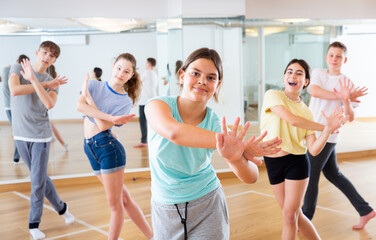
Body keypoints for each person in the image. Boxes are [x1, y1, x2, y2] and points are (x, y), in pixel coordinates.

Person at [145, 48, 282, 240]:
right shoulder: (158, 105)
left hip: (208, 205)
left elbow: (251, 177)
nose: (202, 80)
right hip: (165, 208)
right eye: (195, 73)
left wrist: (235, 158)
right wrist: (236, 144)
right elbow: (174, 132)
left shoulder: (216, 124)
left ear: (217, 85)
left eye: (211, 77)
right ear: (182, 76)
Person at [260, 59, 347, 240]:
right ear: (285, 77)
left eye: (299, 73)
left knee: (290, 216)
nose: (293, 75)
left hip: (296, 163)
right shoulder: (272, 95)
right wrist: (324, 126)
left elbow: (314, 150)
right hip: (273, 163)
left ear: (306, 81)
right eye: (289, 71)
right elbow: (292, 120)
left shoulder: (307, 112)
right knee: (295, 214)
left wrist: (327, 131)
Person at [76, 53, 153, 240]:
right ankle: (153, 236)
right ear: (113, 67)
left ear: (131, 75)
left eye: (126, 71)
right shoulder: (94, 85)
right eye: (119, 68)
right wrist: (89, 101)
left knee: (116, 205)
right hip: (90, 148)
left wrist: (89, 99)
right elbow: (80, 107)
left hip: (108, 148)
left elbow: (102, 126)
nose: (121, 73)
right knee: (124, 199)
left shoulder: (125, 101)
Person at [302, 41, 375, 230]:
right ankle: (365, 210)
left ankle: (305, 219)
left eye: (339, 56)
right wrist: (343, 97)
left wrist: (347, 101)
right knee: (334, 174)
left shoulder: (348, 83)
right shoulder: (318, 73)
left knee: (311, 175)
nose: (334, 59)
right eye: (331, 55)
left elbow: (350, 116)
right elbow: (313, 90)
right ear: (326, 57)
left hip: (329, 137)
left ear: (345, 59)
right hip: (314, 132)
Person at [8, 41, 74, 240]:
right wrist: (42, 84)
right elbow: (15, 90)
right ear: (37, 52)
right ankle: (62, 208)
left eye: (52, 56)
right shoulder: (18, 68)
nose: (47, 57)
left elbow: (48, 103)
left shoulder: (52, 80)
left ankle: (33, 224)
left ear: (54, 60)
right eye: (44, 52)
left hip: (40, 136)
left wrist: (39, 82)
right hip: (20, 134)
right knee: (41, 178)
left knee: (37, 181)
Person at [2, 54, 29, 164]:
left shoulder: (7, 71)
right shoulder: (14, 73)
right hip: (12, 107)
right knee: (19, 132)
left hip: (10, 107)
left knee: (20, 132)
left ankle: (18, 157)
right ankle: (16, 157)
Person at [134, 57, 158, 148]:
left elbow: (138, 81)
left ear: (148, 64)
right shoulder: (154, 73)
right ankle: (153, 139)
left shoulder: (147, 72)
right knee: (152, 120)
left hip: (145, 100)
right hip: (152, 99)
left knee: (143, 120)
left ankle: (144, 141)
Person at [48, 64, 69, 152]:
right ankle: (63, 143)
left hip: (43, 109)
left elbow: (50, 101)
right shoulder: (46, 81)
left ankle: (63, 143)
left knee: (50, 125)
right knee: (51, 125)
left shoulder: (53, 83)